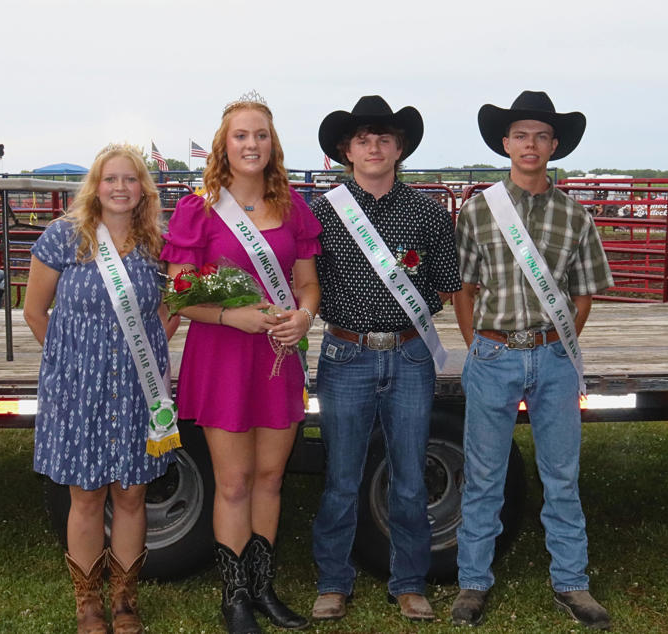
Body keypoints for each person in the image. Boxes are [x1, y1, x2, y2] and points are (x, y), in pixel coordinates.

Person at [451, 91, 614, 629]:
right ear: (505, 143)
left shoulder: (575, 215)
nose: (530, 144)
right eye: (521, 135)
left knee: (562, 474)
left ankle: (572, 580)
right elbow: (465, 288)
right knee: (482, 475)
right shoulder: (478, 209)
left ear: (554, 145)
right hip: (494, 354)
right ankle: (473, 582)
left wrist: (560, 343)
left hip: (554, 358)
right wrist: (480, 345)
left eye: (541, 136)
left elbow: (585, 290)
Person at [161, 92, 320, 634]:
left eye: (261, 135)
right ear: (222, 146)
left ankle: (263, 586)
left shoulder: (294, 207)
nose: (252, 144)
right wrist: (232, 319)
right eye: (241, 135)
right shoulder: (197, 209)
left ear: (272, 144)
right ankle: (234, 599)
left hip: (278, 360)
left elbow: (307, 286)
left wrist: (303, 318)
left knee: (270, 478)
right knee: (233, 482)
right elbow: (180, 296)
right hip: (223, 356)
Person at [309, 96, 461, 622]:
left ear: (400, 149)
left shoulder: (428, 212)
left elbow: (444, 283)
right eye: (363, 139)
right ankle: (332, 581)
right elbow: (305, 282)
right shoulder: (320, 211)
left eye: (384, 138)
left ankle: (410, 581)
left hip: (410, 355)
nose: (374, 147)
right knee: (341, 475)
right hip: (345, 352)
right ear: (345, 150)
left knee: (411, 476)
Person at [24, 144, 176, 634]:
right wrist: (68, 363)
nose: (119, 188)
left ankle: (126, 603)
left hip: (136, 388)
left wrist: (148, 352)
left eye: (130, 180)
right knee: (86, 494)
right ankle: (88, 605)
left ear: (142, 189)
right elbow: (34, 311)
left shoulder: (157, 242)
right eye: (110, 179)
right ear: (96, 185)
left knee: (132, 494)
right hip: (78, 388)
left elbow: (169, 311)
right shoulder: (63, 238)